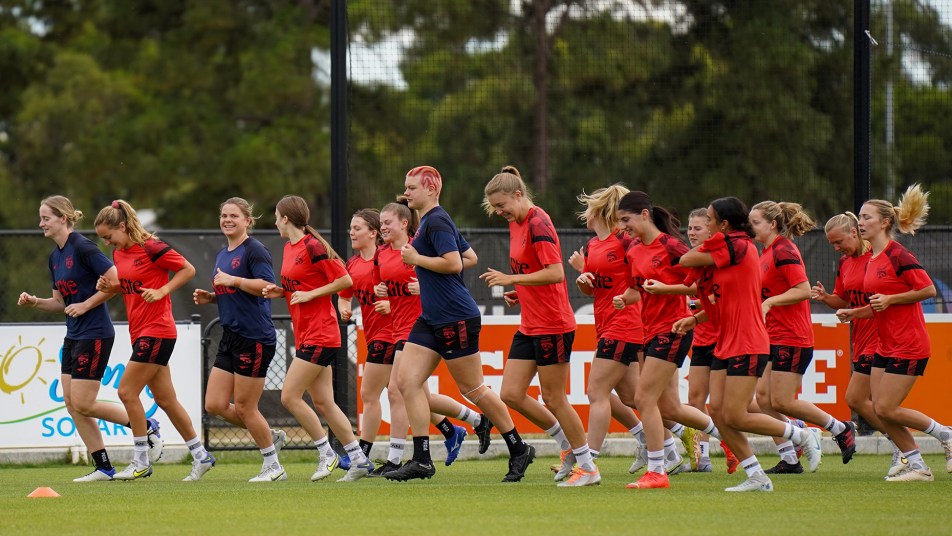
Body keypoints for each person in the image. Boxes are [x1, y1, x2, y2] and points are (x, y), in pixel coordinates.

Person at [387, 165, 533, 482]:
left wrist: (417, 261)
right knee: (406, 382)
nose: (406, 192)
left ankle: (518, 447)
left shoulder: (436, 219)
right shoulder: (432, 221)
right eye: (407, 187)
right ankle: (423, 459)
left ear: (432, 188)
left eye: (412, 187)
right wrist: (427, 269)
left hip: (455, 316)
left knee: (474, 389)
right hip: (431, 317)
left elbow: (454, 262)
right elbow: (469, 257)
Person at [18, 195, 161, 482]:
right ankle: (104, 467)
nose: (41, 223)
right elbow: (60, 302)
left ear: (63, 218)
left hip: (95, 333)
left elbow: (117, 280)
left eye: (46, 217)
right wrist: (35, 302)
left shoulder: (83, 247)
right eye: (41, 217)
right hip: (74, 334)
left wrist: (86, 305)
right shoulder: (55, 256)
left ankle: (146, 425)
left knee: (83, 402)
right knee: (72, 404)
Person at [679, 197, 816, 492]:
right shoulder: (724, 251)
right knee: (717, 412)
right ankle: (756, 475)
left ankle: (801, 435)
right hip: (726, 341)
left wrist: (706, 246)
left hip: (748, 340)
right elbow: (720, 295)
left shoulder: (738, 245)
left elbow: (685, 260)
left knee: (737, 415)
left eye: (711, 220)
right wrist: (696, 319)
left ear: (723, 225)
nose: (706, 223)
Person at [479, 166, 596, 487]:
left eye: (502, 205)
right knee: (512, 393)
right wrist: (522, 290)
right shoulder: (516, 222)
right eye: (495, 207)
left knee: (554, 398)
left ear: (519, 195)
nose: (499, 211)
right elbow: (535, 271)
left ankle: (588, 466)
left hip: (553, 324)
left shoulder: (537, 222)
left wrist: (512, 279)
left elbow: (556, 272)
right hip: (531, 323)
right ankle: (568, 448)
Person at [357, 201, 491, 477]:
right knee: (415, 394)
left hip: (420, 328)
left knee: (399, 390)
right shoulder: (381, 255)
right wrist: (385, 295)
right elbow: (384, 287)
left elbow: (456, 266)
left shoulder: (420, 248)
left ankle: (397, 458)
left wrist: (422, 287)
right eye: (380, 223)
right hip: (397, 330)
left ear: (405, 223)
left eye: (387, 222)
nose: (383, 227)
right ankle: (468, 423)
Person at [837, 185, 952, 481]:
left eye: (866, 217)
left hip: (909, 343)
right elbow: (879, 304)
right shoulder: (872, 259)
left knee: (886, 407)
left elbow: (926, 288)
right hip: (885, 345)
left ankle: (946, 435)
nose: (860, 223)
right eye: (860, 217)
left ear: (884, 222)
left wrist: (891, 300)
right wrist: (856, 312)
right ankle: (917, 466)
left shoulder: (897, 253)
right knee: (881, 409)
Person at [93, 200, 213, 481]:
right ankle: (201, 455)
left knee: (126, 392)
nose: (107, 242)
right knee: (166, 399)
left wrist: (163, 291)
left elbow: (188, 269)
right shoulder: (119, 252)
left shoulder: (152, 247)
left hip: (157, 330)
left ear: (122, 226)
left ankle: (140, 460)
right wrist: (110, 286)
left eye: (108, 236)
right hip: (141, 332)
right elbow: (131, 285)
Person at [615, 191, 723, 490]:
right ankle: (729, 439)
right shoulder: (634, 250)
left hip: (674, 329)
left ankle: (657, 470)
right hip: (648, 331)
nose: (623, 227)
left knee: (643, 398)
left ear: (645, 215)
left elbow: (702, 289)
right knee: (672, 409)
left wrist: (667, 289)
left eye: (627, 220)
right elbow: (639, 289)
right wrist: (625, 298)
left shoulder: (673, 247)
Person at [261, 195, 373, 482]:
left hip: (321, 333)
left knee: (289, 396)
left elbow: (345, 280)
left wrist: (310, 294)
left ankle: (327, 453)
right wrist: (281, 291)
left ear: (285, 218)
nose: (274, 221)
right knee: (324, 403)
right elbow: (300, 283)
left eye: (276, 216)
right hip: (307, 333)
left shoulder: (312, 246)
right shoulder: (290, 248)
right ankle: (359, 459)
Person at [748, 200, 853, 473]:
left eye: (756, 222)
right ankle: (790, 459)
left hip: (792, 336)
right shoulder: (765, 253)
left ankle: (839, 428)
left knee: (782, 401)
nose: (751, 228)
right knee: (762, 399)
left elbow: (803, 289)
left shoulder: (783, 250)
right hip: (772, 336)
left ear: (772, 224)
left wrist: (770, 303)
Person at [193, 197, 287, 482]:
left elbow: (266, 286)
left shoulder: (254, 250)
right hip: (230, 335)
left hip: (254, 337)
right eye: (223, 215)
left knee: (246, 407)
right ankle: (268, 434)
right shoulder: (223, 253)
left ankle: (274, 466)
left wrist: (232, 281)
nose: (227, 220)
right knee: (215, 405)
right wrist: (212, 296)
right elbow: (231, 291)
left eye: (234, 215)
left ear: (248, 220)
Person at [811, 212, 902, 473]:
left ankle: (905, 446)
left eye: (839, 242)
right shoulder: (845, 262)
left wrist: (855, 311)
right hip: (861, 338)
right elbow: (844, 299)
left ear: (854, 232)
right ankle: (909, 445)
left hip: (883, 336)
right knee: (869, 402)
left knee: (864, 399)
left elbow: (888, 299)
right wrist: (826, 297)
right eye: (832, 244)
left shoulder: (879, 256)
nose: (837, 248)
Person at [572, 184, 649, 478]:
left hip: (626, 324)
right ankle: (669, 439)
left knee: (596, 392)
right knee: (632, 397)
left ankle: (588, 463)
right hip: (606, 324)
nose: (585, 213)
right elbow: (597, 288)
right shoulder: (593, 245)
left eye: (589, 207)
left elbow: (641, 283)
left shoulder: (625, 242)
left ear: (598, 211)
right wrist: (584, 278)